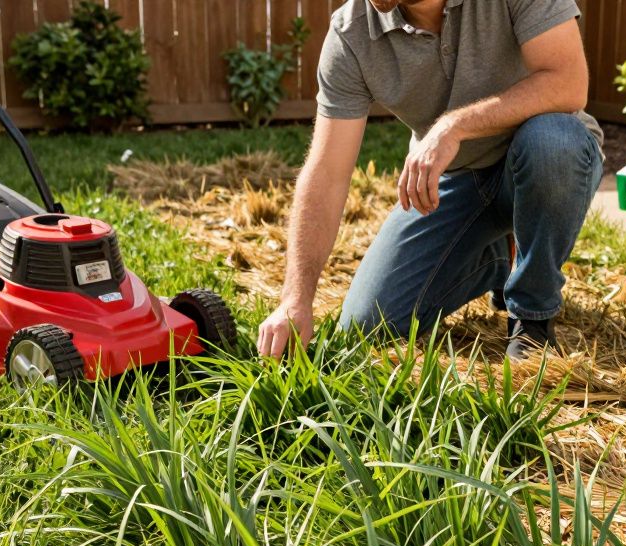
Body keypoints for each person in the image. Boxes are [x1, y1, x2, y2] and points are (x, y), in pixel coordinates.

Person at [256, 0, 605, 361]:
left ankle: (532, 317)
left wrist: (452, 127)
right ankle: (497, 258)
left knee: (554, 141)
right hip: (456, 181)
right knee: (366, 327)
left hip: (541, 158)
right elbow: (327, 172)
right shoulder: (352, 32)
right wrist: (295, 299)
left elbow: (567, 83)